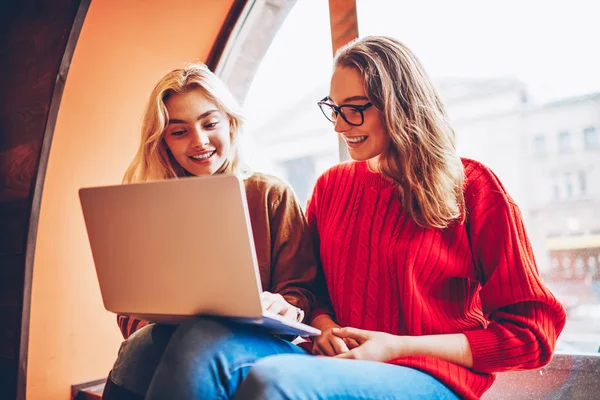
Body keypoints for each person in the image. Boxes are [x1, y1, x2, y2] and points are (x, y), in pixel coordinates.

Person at [227, 36, 568, 400]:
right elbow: (315, 292)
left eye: (355, 108)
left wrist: (396, 347)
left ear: (400, 105)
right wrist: (324, 327)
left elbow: (531, 337)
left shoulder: (475, 188)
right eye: (334, 108)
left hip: (431, 377)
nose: (340, 127)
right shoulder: (330, 186)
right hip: (340, 364)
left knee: (274, 381)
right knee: (201, 345)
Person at [101, 63, 317, 399]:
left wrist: (283, 304)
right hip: (168, 345)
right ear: (164, 141)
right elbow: (130, 312)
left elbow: (302, 292)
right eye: (179, 131)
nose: (199, 141)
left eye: (209, 123)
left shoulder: (270, 195)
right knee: (144, 346)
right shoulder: (150, 208)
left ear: (230, 123)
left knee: (179, 342)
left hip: (262, 346)